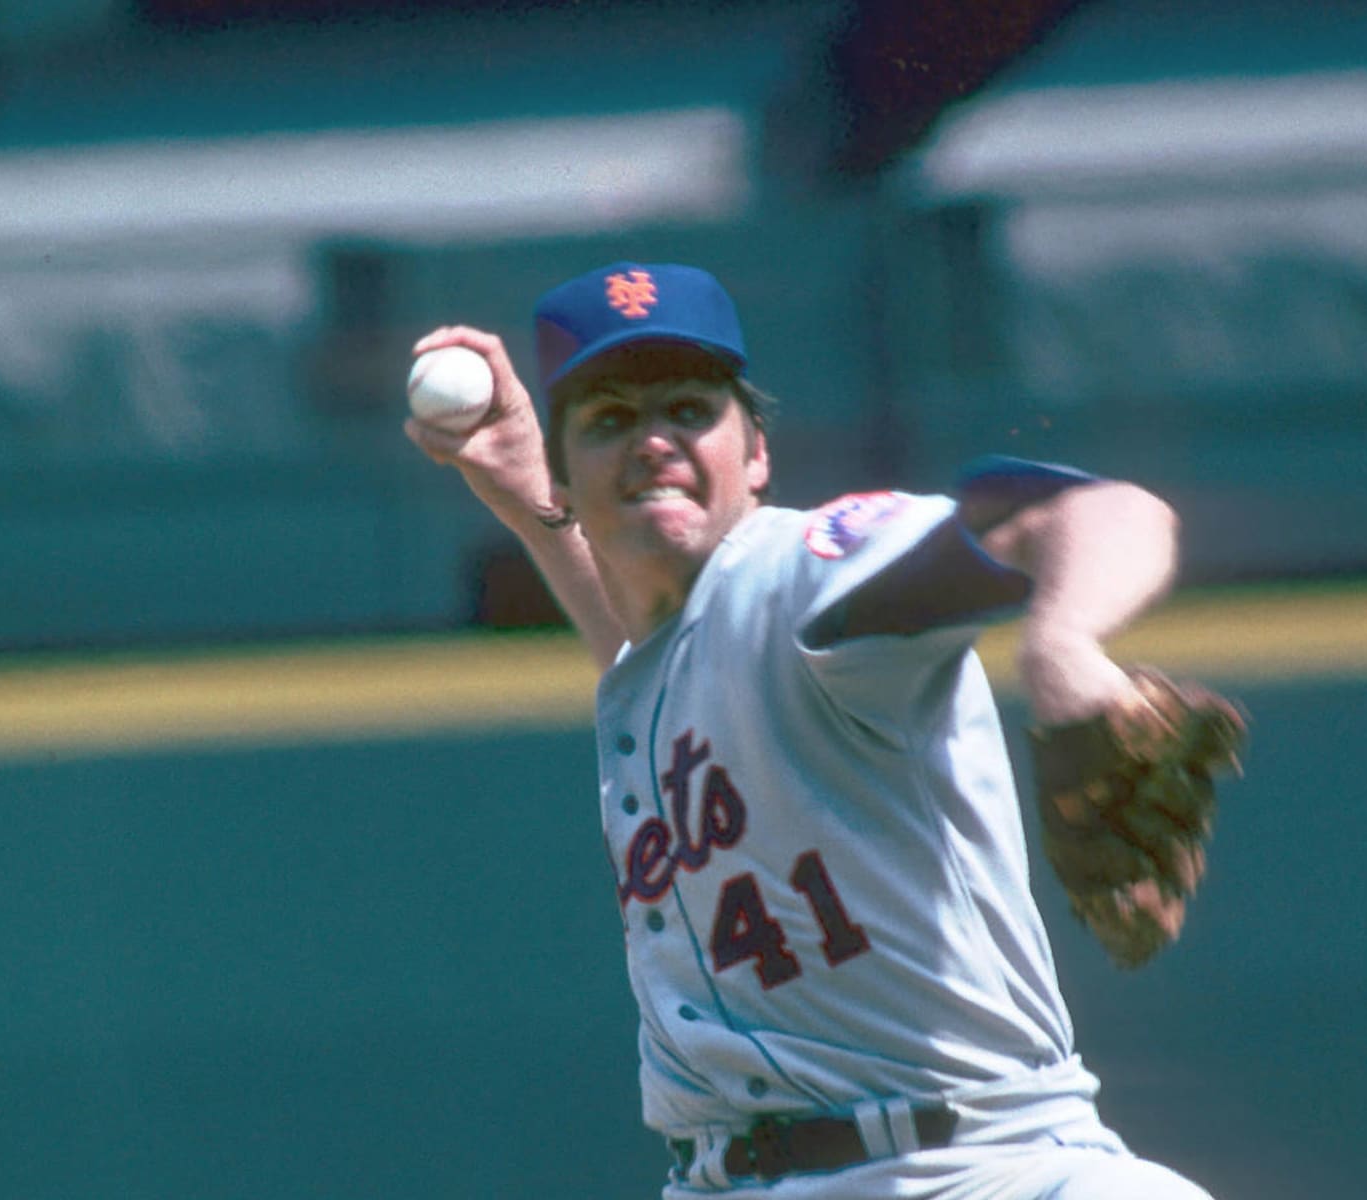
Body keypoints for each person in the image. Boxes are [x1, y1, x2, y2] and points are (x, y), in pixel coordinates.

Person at [403, 261, 1223, 1198]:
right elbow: (668, 646)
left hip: (975, 1169)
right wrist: (527, 501)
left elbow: (1093, 510)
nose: (657, 440)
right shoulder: (663, 665)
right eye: (611, 421)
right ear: (566, 472)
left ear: (756, 455)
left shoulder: (806, 576)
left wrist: (1064, 649)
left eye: (689, 409)